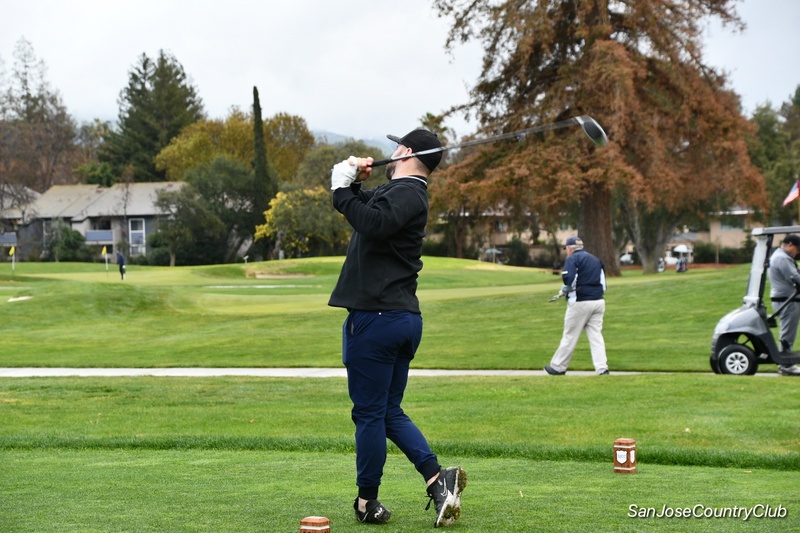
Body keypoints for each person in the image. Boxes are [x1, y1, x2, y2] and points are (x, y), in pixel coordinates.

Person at [328, 128, 467, 527]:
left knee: (369, 414)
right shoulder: (403, 192)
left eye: (396, 146)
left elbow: (371, 223)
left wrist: (340, 192)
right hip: (397, 319)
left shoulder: (407, 193)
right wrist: (352, 185)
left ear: (405, 152)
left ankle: (367, 501)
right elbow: (366, 211)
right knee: (387, 411)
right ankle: (438, 480)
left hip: (377, 319)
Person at [545, 237, 609, 375]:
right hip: (598, 301)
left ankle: (558, 367)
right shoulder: (595, 259)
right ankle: (602, 368)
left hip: (580, 301)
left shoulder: (572, 259)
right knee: (596, 337)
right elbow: (603, 283)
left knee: (570, 335)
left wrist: (565, 289)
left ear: (569, 249)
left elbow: (569, 278)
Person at [768, 234, 800, 376]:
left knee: (788, 330)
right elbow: (795, 277)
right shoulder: (782, 258)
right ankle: (786, 365)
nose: (797, 253)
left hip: (786, 299)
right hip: (787, 300)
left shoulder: (781, 256)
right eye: (797, 250)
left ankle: (786, 363)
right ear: (790, 245)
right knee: (788, 332)